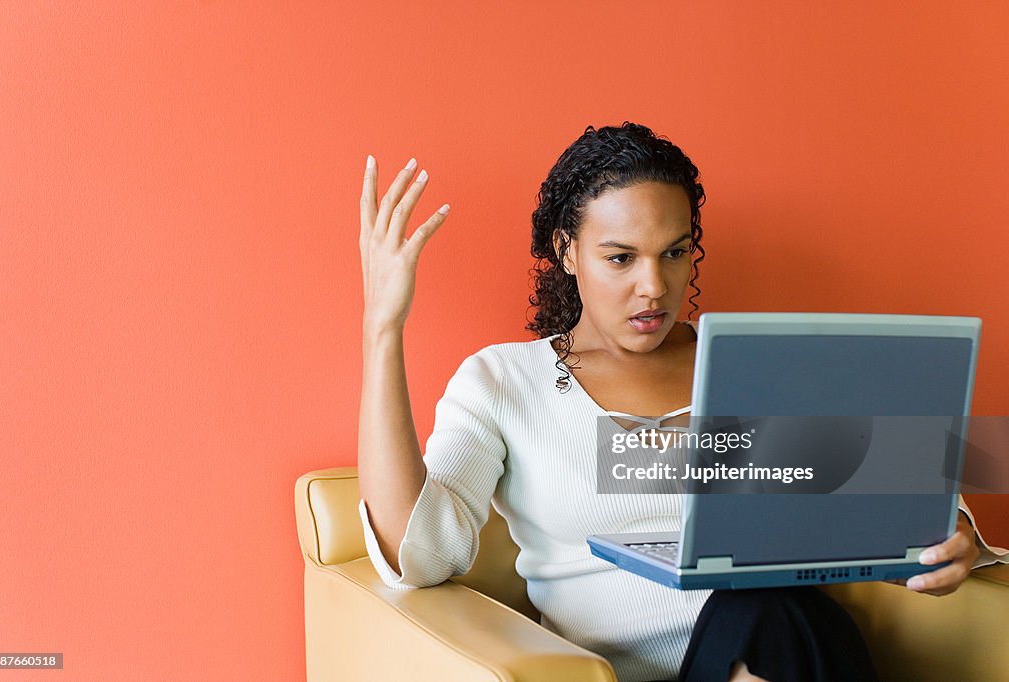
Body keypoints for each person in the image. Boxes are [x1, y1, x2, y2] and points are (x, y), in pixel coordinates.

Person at [356, 122, 994, 682]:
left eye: (674, 253)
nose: (653, 287)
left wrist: (951, 535)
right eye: (620, 258)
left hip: (786, 637)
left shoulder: (752, 363)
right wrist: (383, 331)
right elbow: (420, 557)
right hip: (650, 665)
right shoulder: (500, 381)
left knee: (772, 609)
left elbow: (892, 484)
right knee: (766, 613)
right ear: (566, 251)